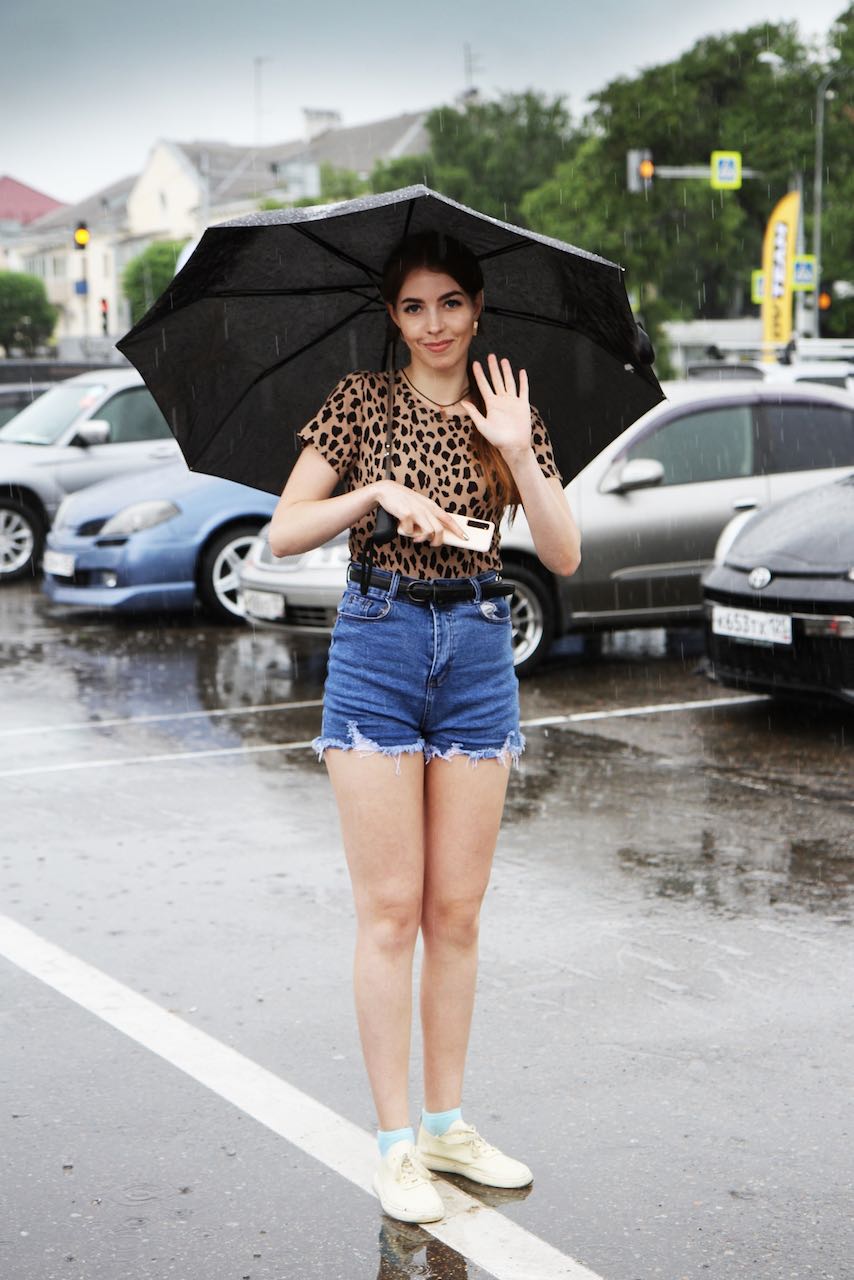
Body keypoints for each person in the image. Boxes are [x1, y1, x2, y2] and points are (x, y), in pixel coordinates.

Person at [269, 230, 581, 1224]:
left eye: (450, 302)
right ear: (392, 317)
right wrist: (374, 494)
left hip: (480, 645)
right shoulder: (360, 400)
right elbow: (283, 530)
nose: (434, 323)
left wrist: (516, 449)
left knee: (456, 912)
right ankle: (396, 1142)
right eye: (414, 306)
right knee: (391, 910)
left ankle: (446, 1123)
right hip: (379, 637)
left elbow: (563, 553)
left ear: (477, 309)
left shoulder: (509, 409)